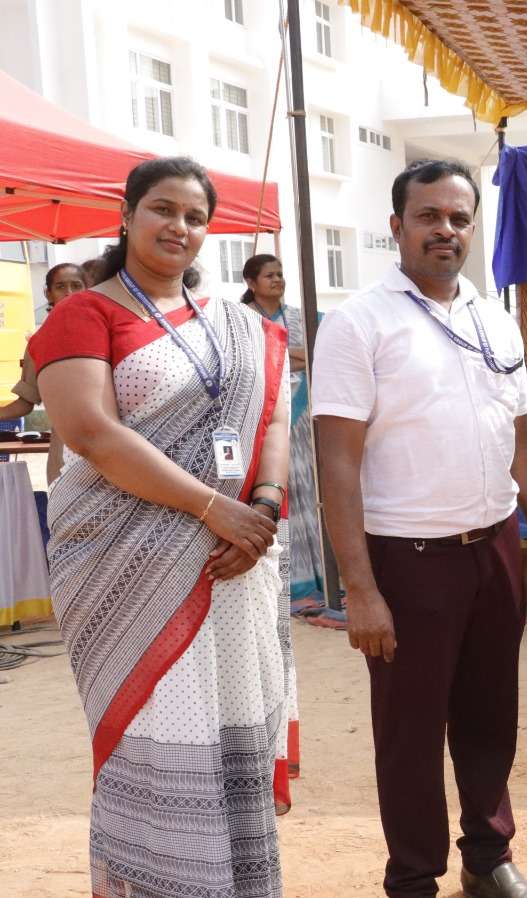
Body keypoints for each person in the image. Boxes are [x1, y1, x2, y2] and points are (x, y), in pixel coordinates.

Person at [30, 156, 289, 897]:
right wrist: (214, 510)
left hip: (232, 560)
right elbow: (92, 433)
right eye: (163, 209)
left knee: (229, 733)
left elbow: (271, 417)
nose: (180, 226)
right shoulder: (87, 313)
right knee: (158, 734)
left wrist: (262, 508)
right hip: (123, 564)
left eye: (196, 217)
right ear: (127, 214)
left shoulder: (236, 325)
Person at [312, 159, 527, 898]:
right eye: (429, 216)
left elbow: (523, 444)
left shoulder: (493, 318)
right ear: (397, 226)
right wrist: (361, 590)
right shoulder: (359, 323)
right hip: (407, 558)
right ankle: (414, 878)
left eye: (459, 218)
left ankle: (488, 859)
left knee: (491, 717)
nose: (445, 230)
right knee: (411, 732)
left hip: (494, 547)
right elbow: (337, 465)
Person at [239, 252, 308, 810]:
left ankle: (275, 766)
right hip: (241, 485)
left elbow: (310, 356)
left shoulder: (297, 319)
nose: (278, 281)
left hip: (288, 447)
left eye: (281, 274)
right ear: (249, 283)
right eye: (270, 275)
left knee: (271, 639)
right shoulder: (240, 324)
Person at [2, 262, 88, 482]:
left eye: (76, 285)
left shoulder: (110, 330)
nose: (69, 293)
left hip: (114, 444)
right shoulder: (39, 342)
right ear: (47, 293)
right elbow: (25, 404)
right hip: (65, 451)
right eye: (60, 286)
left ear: (87, 288)